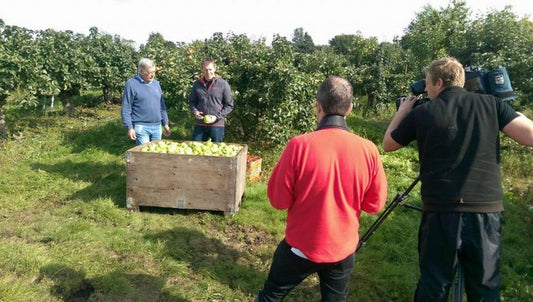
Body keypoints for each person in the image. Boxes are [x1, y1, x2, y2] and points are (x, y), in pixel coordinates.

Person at [382, 57, 533, 301]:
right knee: (485, 289)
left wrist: (402, 112)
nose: (427, 90)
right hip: (485, 212)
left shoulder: (424, 112)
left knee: (434, 285)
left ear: (439, 82)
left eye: (428, 84)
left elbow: (388, 144)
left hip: (441, 211)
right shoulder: (491, 105)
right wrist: (507, 110)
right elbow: (530, 136)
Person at [255, 76, 388, 301]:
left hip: (301, 246)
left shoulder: (299, 145)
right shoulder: (369, 150)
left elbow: (278, 201)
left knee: (271, 296)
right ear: (350, 108)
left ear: (318, 106)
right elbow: (374, 205)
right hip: (342, 248)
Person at [121, 58, 171, 145]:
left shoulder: (156, 84)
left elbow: (161, 105)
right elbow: (126, 107)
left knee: (155, 153)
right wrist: (129, 127)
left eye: (154, 72)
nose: (152, 75)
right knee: (144, 154)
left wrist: (165, 123)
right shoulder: (132, 84)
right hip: (141, 126)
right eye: (149, 73)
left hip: (157, 126)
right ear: (141, 71)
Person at [188, 57, 234, 142]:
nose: (208, 72)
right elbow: (192, 101)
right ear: (202, 70)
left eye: (210, 69)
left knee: (215, 151)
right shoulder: (197, 84)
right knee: (196, 148)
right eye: (206, 70)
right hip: (200, 124)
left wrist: (217, 117)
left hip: (217, 125)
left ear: (215, 69)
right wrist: (195, 111)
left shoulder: (223, 84)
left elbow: (229, 105)